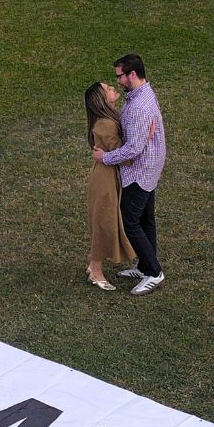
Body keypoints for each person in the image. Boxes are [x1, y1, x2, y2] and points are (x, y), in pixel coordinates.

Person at [92, 53, 166, 295]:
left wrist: (104, 158)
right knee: (146, 220)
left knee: (130, 221)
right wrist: (144, 135)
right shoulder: (142, 95)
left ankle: (153, 272)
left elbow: (133, 150)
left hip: (138, 172)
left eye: (120, 76)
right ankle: (146, 266)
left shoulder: (138, 108)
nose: (118, 81)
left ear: (132, 74)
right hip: (149, 169)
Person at [84, 81, 134, 291]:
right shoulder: (106, 124)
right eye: (107, 89)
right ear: (102, 99)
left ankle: (93, 265)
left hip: (105, 175)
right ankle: (96, 270)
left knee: (105, 219)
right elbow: (124, 155)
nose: (113, 88)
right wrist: (144, 140)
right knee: (105, 222)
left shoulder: (107, 120)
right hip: (105, 179)